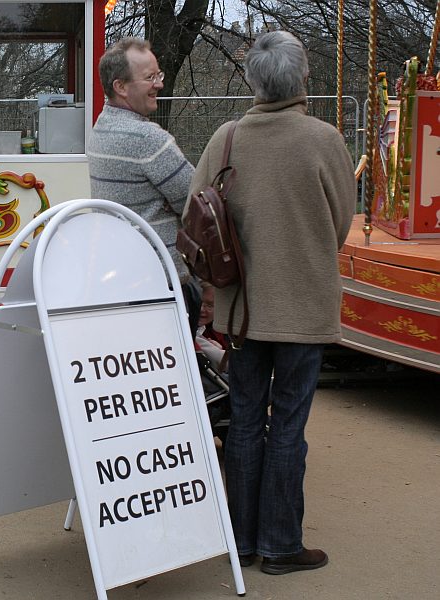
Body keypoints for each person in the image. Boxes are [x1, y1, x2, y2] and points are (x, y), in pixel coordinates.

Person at [185, 31, 356, 575]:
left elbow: (197, 216)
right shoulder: (324, 139)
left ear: (252, 81)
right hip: (304, 306)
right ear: (302, 77)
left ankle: (242, 542)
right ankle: (282, 546)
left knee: (244, 419)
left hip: (242, 311)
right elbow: (342, 225)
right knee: (287, 426)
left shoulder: (227, 138)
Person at [87, 38, 195, 280]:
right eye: (149, 78)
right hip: (161, 281)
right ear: (121, 87)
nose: (159, 85)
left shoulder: (102, 125)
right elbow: (195, 202)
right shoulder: (147, 138)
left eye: (159, 75)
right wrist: (169, 202)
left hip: (121, 270)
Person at [195, 281, 228, 370]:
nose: (202, 309)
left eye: (209, 305)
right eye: (199, 302)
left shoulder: (222, 331)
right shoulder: (184, 332)